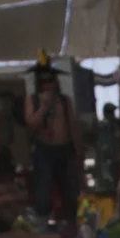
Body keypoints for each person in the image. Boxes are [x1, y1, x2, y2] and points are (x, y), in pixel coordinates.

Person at [25, 57, 77, 222]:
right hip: (44, 150)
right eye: (43, 81)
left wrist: (79, 151)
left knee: (70, 192)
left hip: (65, 149)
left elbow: (73, 127)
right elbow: (31, 125)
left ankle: (71, 225)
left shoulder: (64, 100)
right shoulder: (32, 100)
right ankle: (43, 225)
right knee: (43, 193)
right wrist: (43, 108)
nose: (47, 84)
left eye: (50, 80)